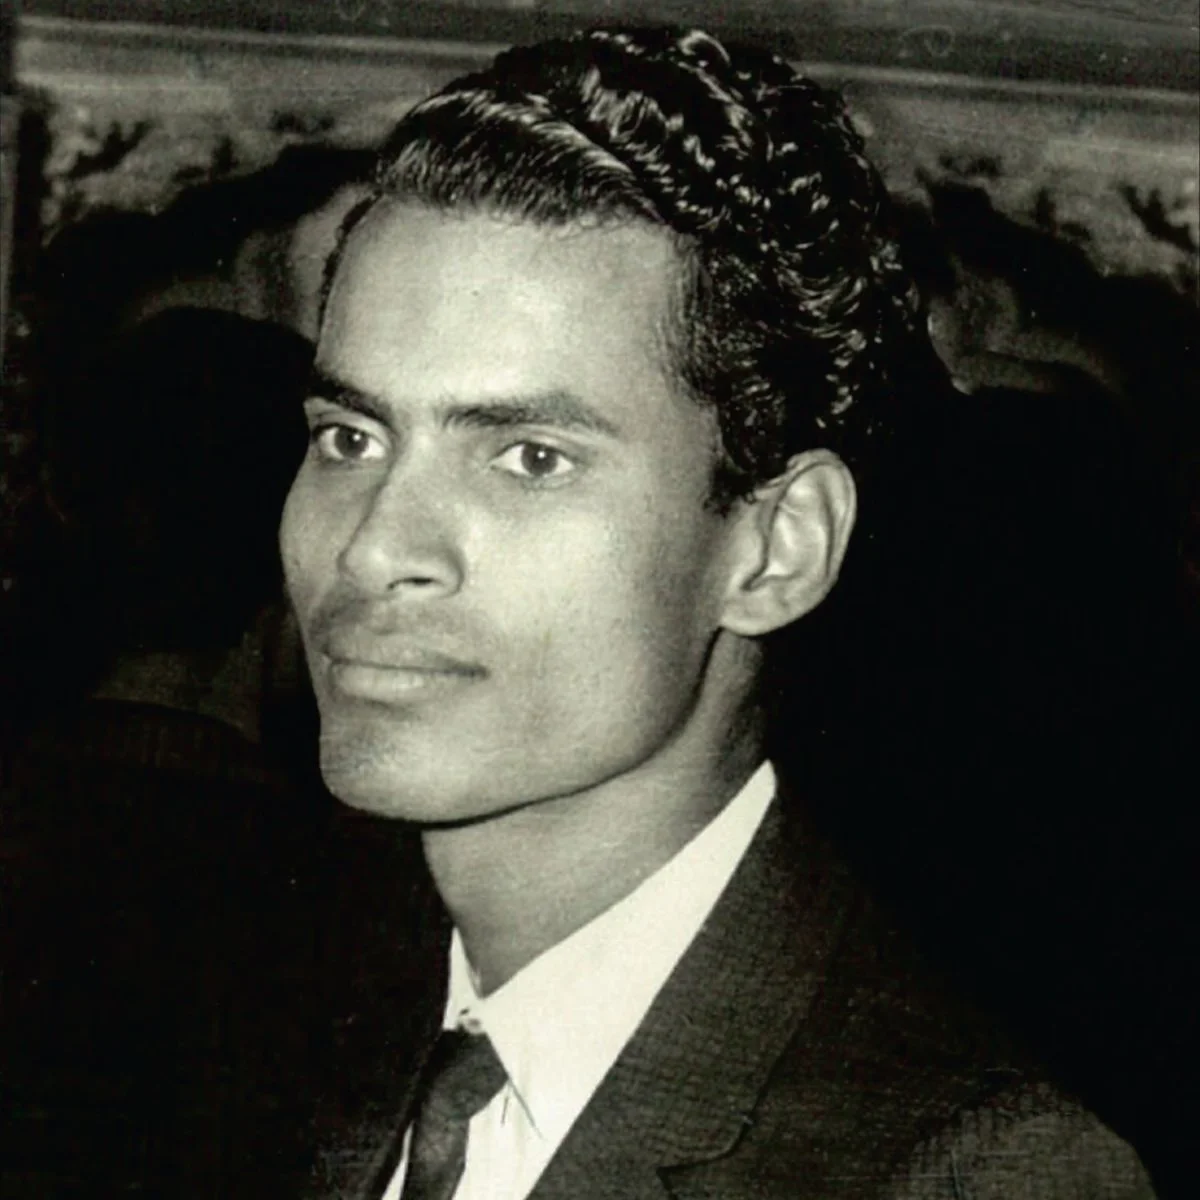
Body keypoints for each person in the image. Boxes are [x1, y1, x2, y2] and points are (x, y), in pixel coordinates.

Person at [278, 26, 1164, 1200]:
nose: (375, 546)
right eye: (351, 438)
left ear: (776, 548)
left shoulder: (969, 1171)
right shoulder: (246, 1016)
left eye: (531, 458)